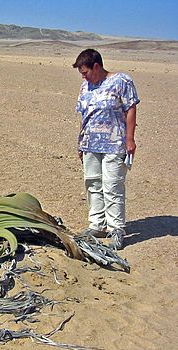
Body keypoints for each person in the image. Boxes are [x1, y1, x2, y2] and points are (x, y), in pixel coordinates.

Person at [73, 49, 140, 250]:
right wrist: (80, 142)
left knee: (112, 186)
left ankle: (116, 229)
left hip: (114, 143)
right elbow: (84, 116)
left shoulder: (121, 81)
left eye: (85, 71)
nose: (83, 76)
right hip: (90, 143)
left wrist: (130, 139)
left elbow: (131, 109)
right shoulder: (85, 86)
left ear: (96, 66)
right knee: (92, 183)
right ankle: (97, 225)